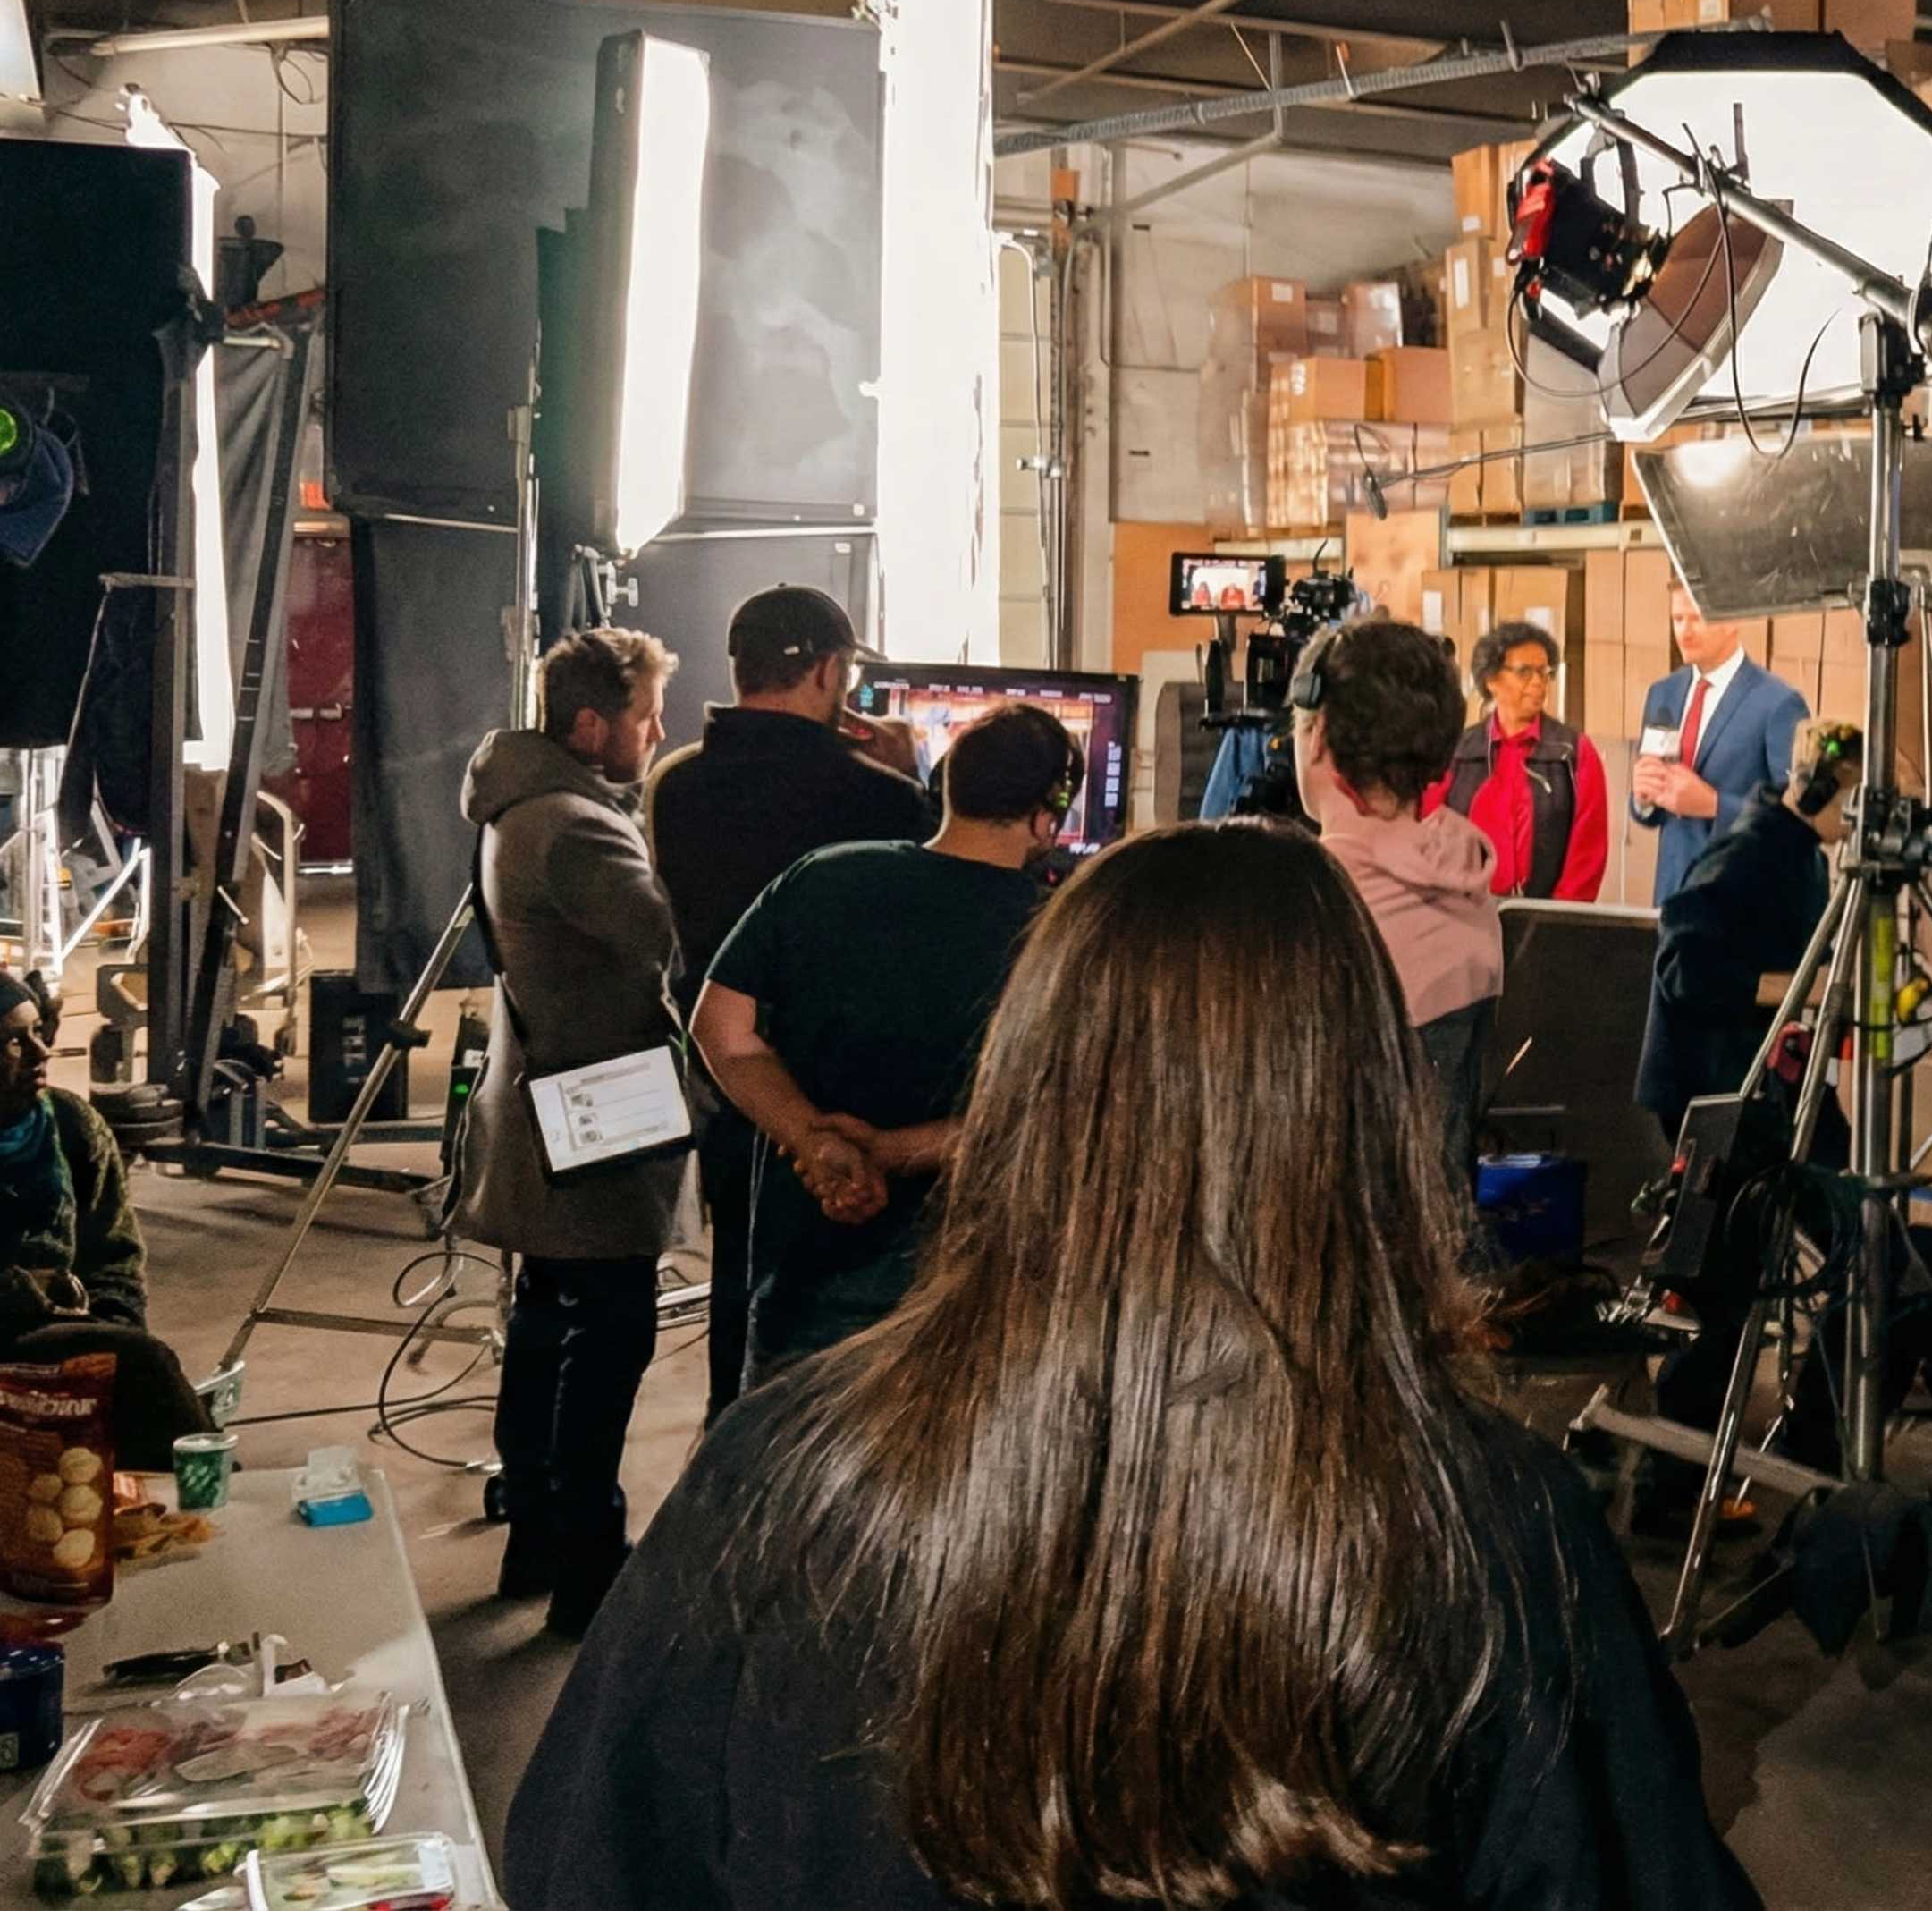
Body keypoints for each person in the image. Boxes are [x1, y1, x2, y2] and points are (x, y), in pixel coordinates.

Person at [506, 824, 1764, 1911]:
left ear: (1027, 1087)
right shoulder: (1489, 1526)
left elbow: (581, 1860)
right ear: (1365, 1112)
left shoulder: (787, 1470)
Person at [689, 706, 1073, 1386]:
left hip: (802, 1277)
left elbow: (721, 1030)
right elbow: (1051, 1119)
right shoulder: (1062, 934)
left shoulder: (821, 877)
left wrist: (814, 1141)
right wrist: (892, 1152)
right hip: (968, 1301)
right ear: (1049, 817)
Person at [644, 584, 929, 1420]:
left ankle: (730, 1441)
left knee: (739, 1278)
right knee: (852, 1317)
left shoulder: (676, 786)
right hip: (852, 1099)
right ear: (832, 672)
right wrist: (912, 782)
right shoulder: (878, 797)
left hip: (732, 1084)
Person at [456, 626, 687, 1639]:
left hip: (549, 1096)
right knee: (607, 1333)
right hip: (592, 1112)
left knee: (550, 1322)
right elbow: (669, 936)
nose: (658, 733)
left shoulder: (527, 801)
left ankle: (539, 1534)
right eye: (645, 718)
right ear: (592, 725)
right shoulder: (575, 825)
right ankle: (588, 1558)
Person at [1631, 718, 1864, 1527]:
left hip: (1763, 1094)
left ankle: (1773, 1458)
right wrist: (1802, 986)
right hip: (1718, 1099)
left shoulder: (1795, 853)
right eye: (1860, 799)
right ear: (1823, 788)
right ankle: (1674, 1491)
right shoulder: (1755, 851)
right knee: (1722, 1297)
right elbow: (1685, 965)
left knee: (1838, 1253)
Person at [1295, 620, 1506, 1179]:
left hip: (1328, 1247)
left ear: (1318, 736)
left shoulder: (1308, 909)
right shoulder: (1467, 882)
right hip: (1440, 1243)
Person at [0, 973, 214, 1467]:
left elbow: (117, 1253)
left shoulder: (72, 1124)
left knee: (131, 1362)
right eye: (14, 1042)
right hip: (16, 1328)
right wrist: (28, 1294)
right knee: (147, 1364)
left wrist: (110, 1329)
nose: (40, 1053)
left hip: (63, 1328)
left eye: (38, 1033)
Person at [1634, 584, 1808, 906]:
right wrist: (1643, 798)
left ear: (1733, 621)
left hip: (1739, 904)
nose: (1684, 632)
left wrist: (1715, 805)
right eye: (1677, 619)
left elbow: (1796, 822)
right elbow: (1649, 812)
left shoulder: (1778, 704)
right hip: (1671, 901)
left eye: (1697, 619)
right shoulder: (1663, 694)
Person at [1434, 620, 1610, 902]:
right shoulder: (1459, 751)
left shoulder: (1574, 753)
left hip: (1546, 922)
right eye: (1525, 672)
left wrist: (1554, 920)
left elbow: (1588, 854)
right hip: (1463, 916)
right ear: (1491, 680)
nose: (1539, 682)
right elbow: (1430, 835)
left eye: (1544, 672)